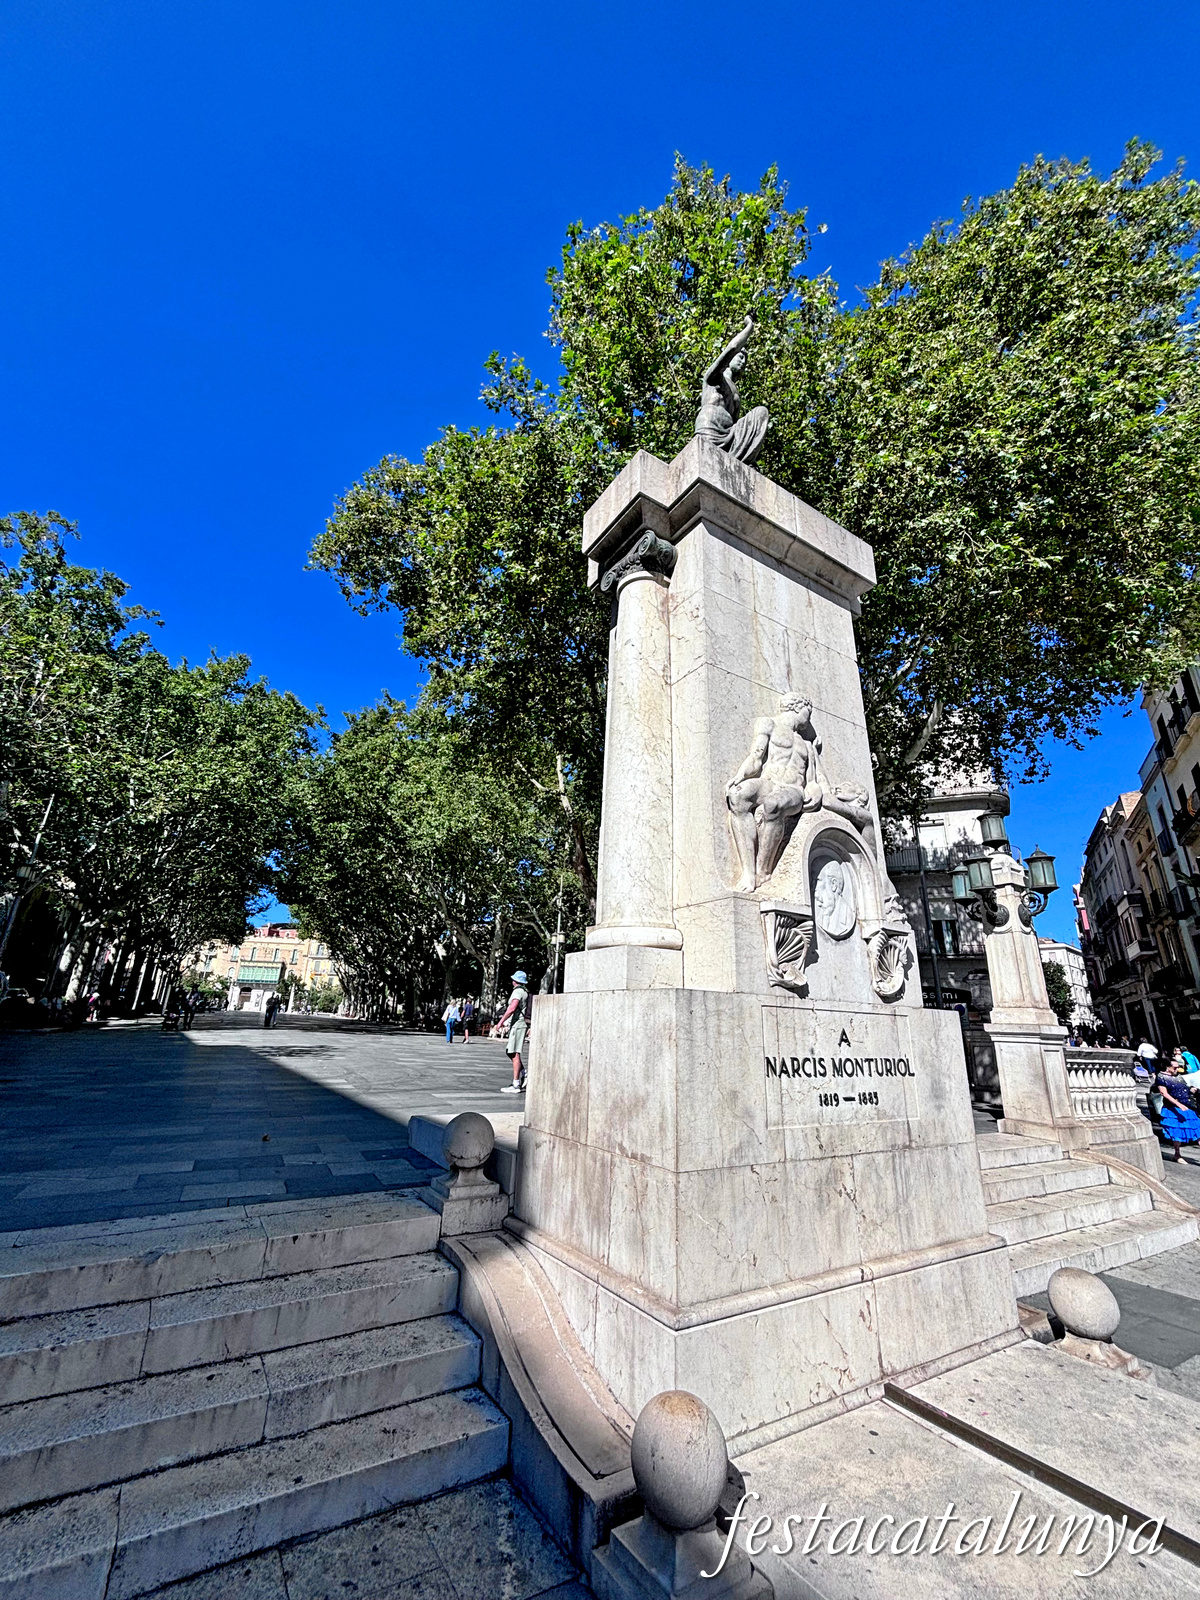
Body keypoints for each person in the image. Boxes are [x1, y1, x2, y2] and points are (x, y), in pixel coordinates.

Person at [1155, 1057, 1200, 1162]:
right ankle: (1177, 1154)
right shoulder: (1161, 1077)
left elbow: (1184, 1088)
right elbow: (1164, 1093)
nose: (1177, 1069)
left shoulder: (1179, 1076)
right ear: (1167, 1067)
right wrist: (1178, 1104)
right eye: (1174, 1067)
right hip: (1173, 1108)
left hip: (1187, 1106)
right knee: (1177, 1132)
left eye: (1177, 1067)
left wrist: (1191, 1090)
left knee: (1198, 1130)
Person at [497, 971, 530, 1093]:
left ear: (515, 981)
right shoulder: (524, 991)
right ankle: (523, 1072)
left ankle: (516, 1083)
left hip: (518, 1024)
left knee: (514, 1053)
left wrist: (501, 1022)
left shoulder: (518, 992)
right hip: (518, 1024)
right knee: (510, 1051)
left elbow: (512, 1008)